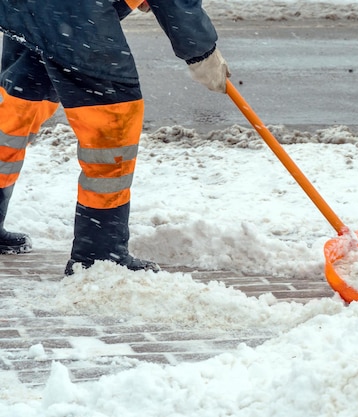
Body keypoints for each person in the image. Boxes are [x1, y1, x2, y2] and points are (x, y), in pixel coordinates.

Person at [0, 0, 230, 275]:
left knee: (17, 106)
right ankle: (99, 256)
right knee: (112, 121)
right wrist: (202, 52)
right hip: (73, 11)